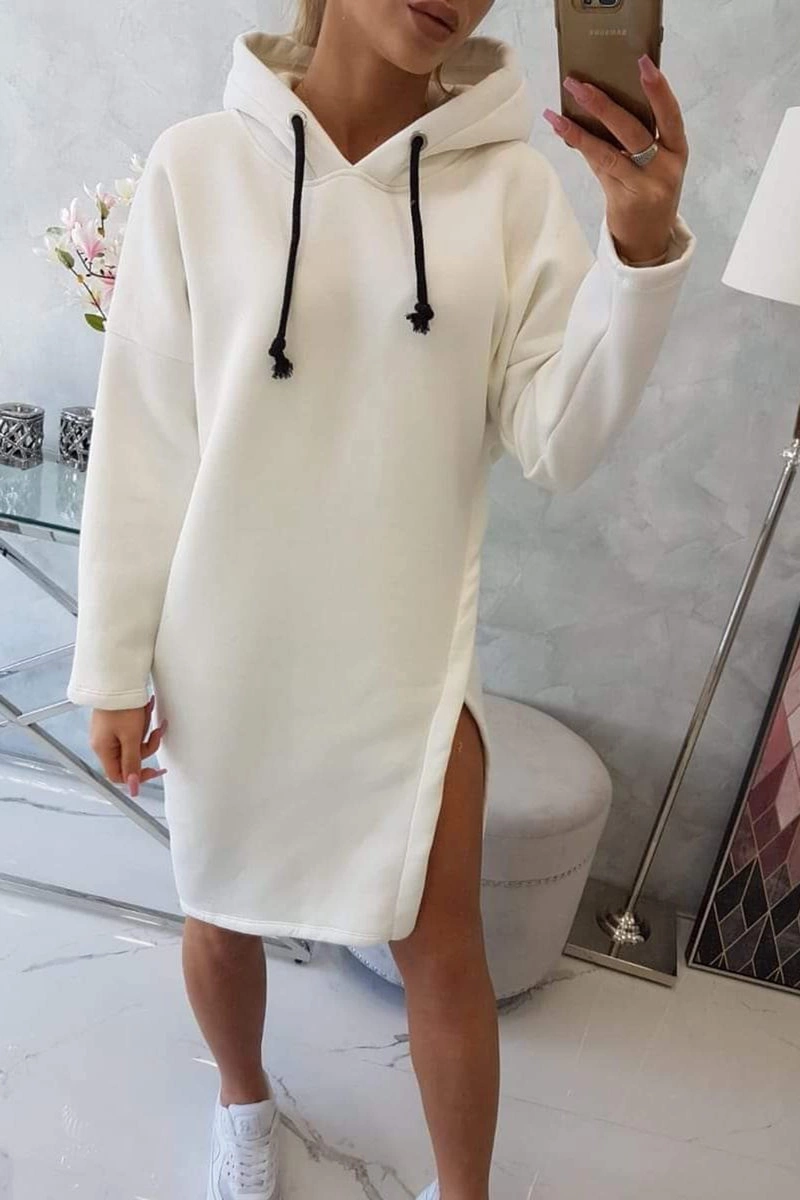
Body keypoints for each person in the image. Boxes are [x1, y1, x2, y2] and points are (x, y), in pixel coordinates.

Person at [66, 1, 695, 1197]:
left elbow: (557, 441)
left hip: (405, 659)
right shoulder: (198, 166)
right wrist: (112, 665)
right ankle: (242, 1106)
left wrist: (638, 252)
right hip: (226, 644)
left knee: (441, 949)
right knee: (219, 913)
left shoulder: (509, 190)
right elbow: (143, 437)